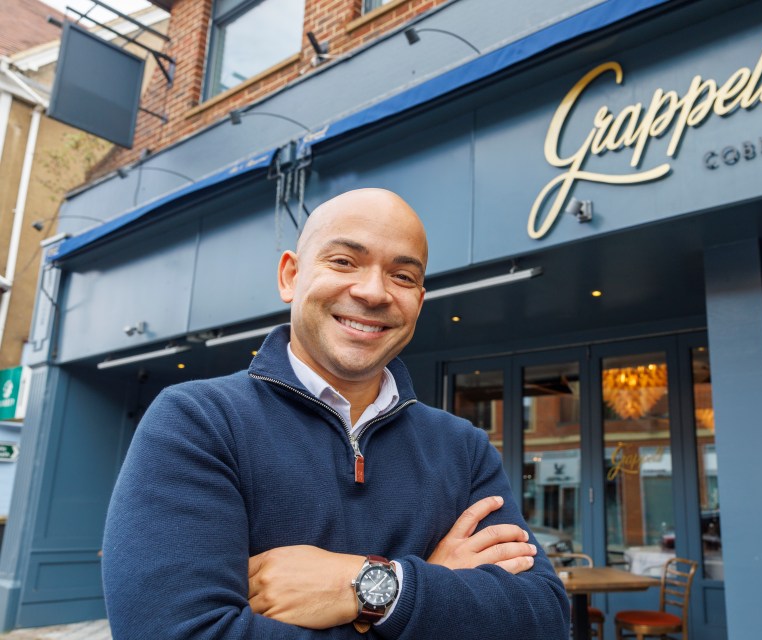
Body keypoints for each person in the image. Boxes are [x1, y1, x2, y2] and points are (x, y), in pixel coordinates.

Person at [102, 188, 570, 639]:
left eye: (402, 276)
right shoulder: (199, 422)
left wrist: (378, 586)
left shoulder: (463, 446)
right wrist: (438, 589)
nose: (373, 292)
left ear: (419, 302)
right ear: (290, 275)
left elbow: (544, 619)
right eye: (344, 261)